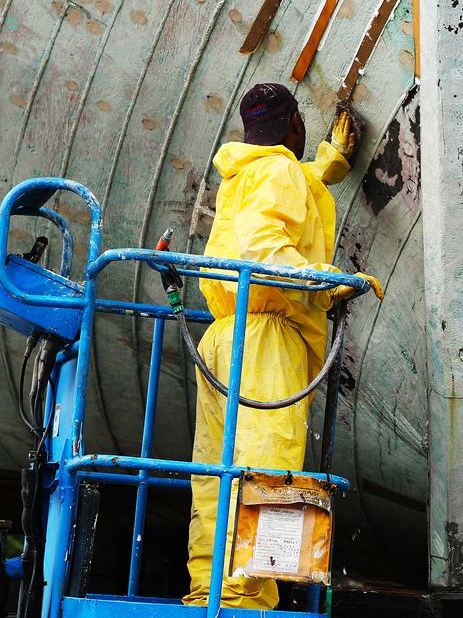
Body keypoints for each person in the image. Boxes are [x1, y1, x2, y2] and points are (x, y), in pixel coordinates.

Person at [184, 83, 383, 608]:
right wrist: (325, 280)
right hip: (267, 343)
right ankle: (245, 600)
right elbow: (265, 245)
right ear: (294, 123)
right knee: (267, 468)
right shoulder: (278, 172)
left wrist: (327, 167)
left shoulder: (246, 173)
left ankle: (212, 592)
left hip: (224, 337)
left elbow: (276, 202)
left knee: (216, 475)